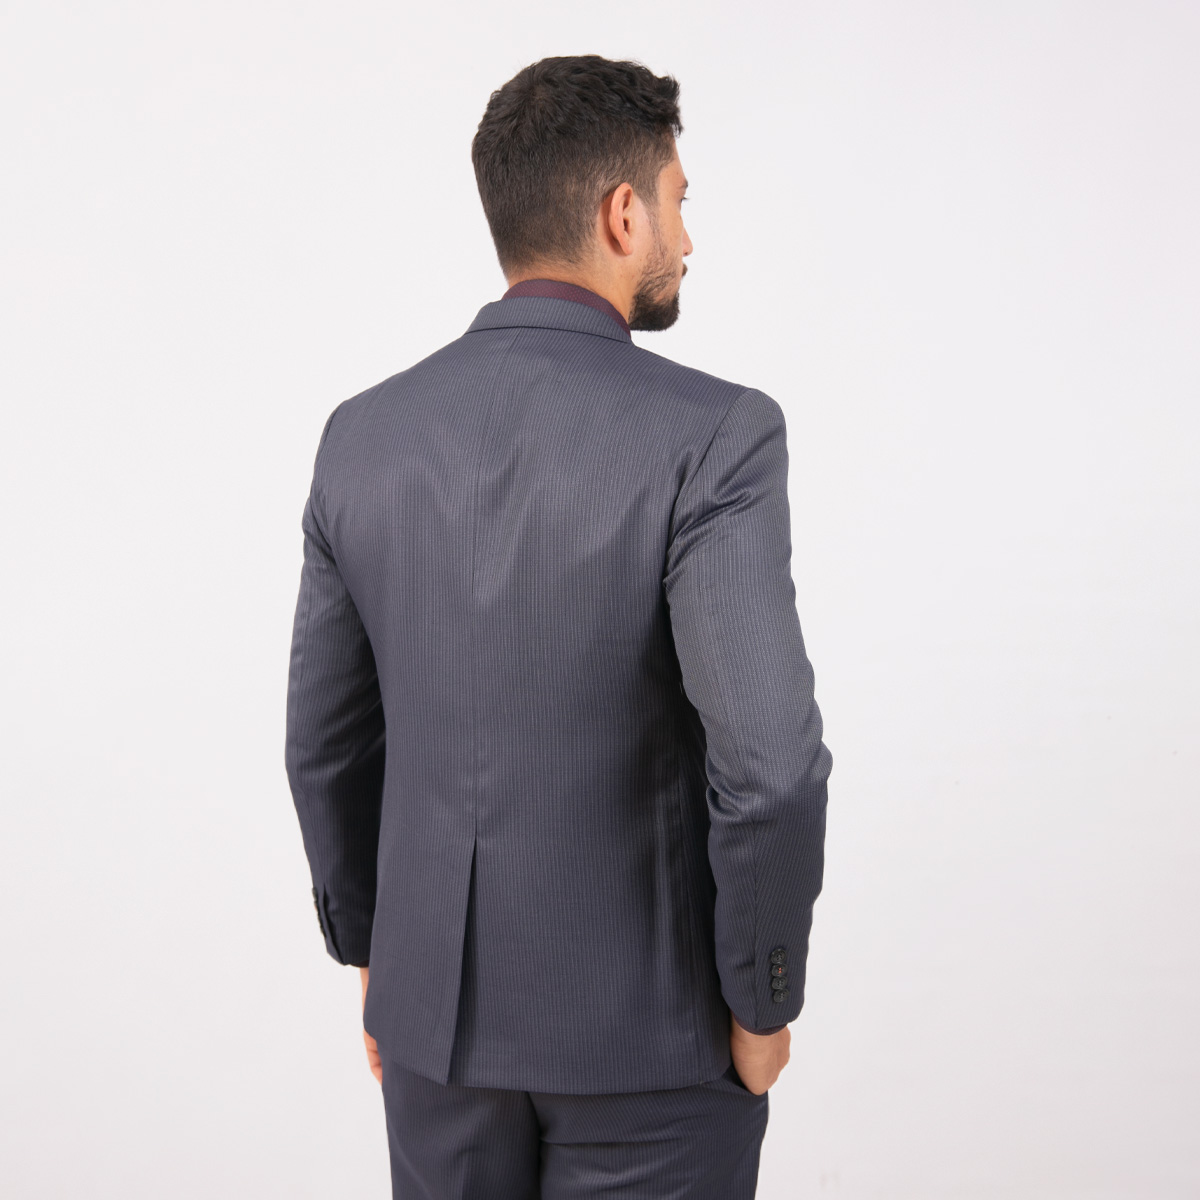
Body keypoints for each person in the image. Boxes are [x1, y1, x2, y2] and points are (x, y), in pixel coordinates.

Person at [284, 53, 833, 1199]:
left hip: (434, 1039)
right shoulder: (715, 437)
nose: (688, 238)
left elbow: (326, 746)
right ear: (622, 214)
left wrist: (381, 959)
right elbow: (770, 769)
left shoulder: (361, 437)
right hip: (657, 1046)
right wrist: (761, 999)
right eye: (678, 201)